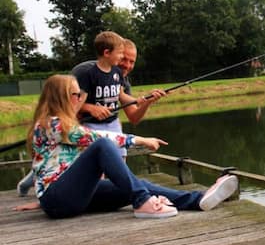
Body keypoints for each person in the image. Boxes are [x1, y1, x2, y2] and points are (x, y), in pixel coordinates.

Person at [15, 75, 238, 218]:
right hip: (59, 200)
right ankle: (143, 202)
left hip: (62, 199)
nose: (81, 99)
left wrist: (41, 198)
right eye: (76, 94)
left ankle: (197, 200)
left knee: (131, 185)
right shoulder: (51, 124)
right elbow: (96, 138)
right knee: (102, 145)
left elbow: (42, 168)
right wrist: (139, 140)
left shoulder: (60, 125)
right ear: (63, 97)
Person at [17, 37, 163, 196]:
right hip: (86, 125)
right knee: (91, 167)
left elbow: (132, 114)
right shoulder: (86, 72)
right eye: (123, 57)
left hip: (110, 123)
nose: (126, 64)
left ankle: (128, 195)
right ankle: (35, 178)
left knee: (119, 166)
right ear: (109, 53)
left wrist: (144, 101)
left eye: (131, 61)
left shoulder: (118, 76)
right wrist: (90, 109)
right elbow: (69, 104)